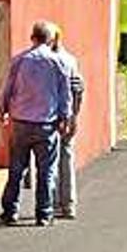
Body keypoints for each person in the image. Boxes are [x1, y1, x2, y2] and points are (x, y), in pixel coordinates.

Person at [0, 21, 73, 227]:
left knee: (16, 169)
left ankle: (10, 211)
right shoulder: (58, 63)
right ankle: (44, 214)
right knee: (46, 171)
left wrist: (2, 109)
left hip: (21, 123)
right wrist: (66, 118)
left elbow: (7, 88)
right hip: (46, 125)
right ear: (50, 40)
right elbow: (65, 94)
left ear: (33, 38)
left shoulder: (20, 60)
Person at [50, 23, 84, 219]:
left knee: (51, 161)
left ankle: (55, 203)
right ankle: (69, 204)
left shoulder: (47, 61)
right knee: (67, 158)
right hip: (68, 115)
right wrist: (75, 114)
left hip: (49, 116)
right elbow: (78, 89)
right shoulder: (70, 59)